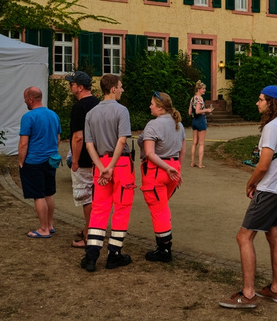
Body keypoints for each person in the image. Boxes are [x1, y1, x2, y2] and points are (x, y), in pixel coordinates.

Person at [219, 85, 277, 309]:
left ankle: (249, 293)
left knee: (244, 237)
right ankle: (276, 288)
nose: (257, 103)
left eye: (261, 99)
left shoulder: (271, 127)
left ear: (271, 103)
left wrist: (251, 183)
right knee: (274, 235)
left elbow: (263, 165)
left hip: (270, 189)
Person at [82, 74, 135, 272]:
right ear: (113, 88)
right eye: (120, 87)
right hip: (119, 164)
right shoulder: (122, 111)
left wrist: (102, 167)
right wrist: (112, 167)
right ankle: (114, 254)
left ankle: (91, 256)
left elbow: (89, 144)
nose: (122, 90)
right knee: (121, 208)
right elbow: (122, 141)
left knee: (99, 209)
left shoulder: (91, 113)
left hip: (100, 165)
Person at [139, 91, 186, 262]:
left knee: (159, 210)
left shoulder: (153, 125)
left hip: (157, 170)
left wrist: (166, 168)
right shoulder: (178, 124)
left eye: (152, 104)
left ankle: (165, 248)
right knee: (162, 207)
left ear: (159, 107)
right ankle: (162, 244)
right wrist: (177, 170)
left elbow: (150, 153)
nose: (150, 106)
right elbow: (182, 150)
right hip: (173, 168)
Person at [19, 87, 62, 238]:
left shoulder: (28, 117)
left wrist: (21, 161)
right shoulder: (53, 115)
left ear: (31, 99)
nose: (24, 101)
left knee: (38, 195)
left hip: (34, 161)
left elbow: (24, 143)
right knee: (49, 193)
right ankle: (49, 225)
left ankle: (43, 229)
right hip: (51, 160)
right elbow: (57, 139)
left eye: (25, 98)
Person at [64, 71, 99, 248]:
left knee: (86, 197)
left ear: (80, 87)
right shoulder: (98, 104)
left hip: (84, 158)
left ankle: (89, 234)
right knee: (96, 195)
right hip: (98, 157)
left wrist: (75, 160)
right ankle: (89, 227)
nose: (70, 87)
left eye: (72, 84)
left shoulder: (79, 107)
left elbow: (78, 137)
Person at [189, 80, 213, 169]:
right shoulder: (199, 99)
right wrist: (207, 110)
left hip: (194, 120)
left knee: (194, 142)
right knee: (201, 143)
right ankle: (200, 164)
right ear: (199, 89)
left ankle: (192, 162)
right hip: (201, 120)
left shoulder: (192, 99)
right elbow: (198, 111)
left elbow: (190, 112)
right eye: (203, 89)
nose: (204, 90)